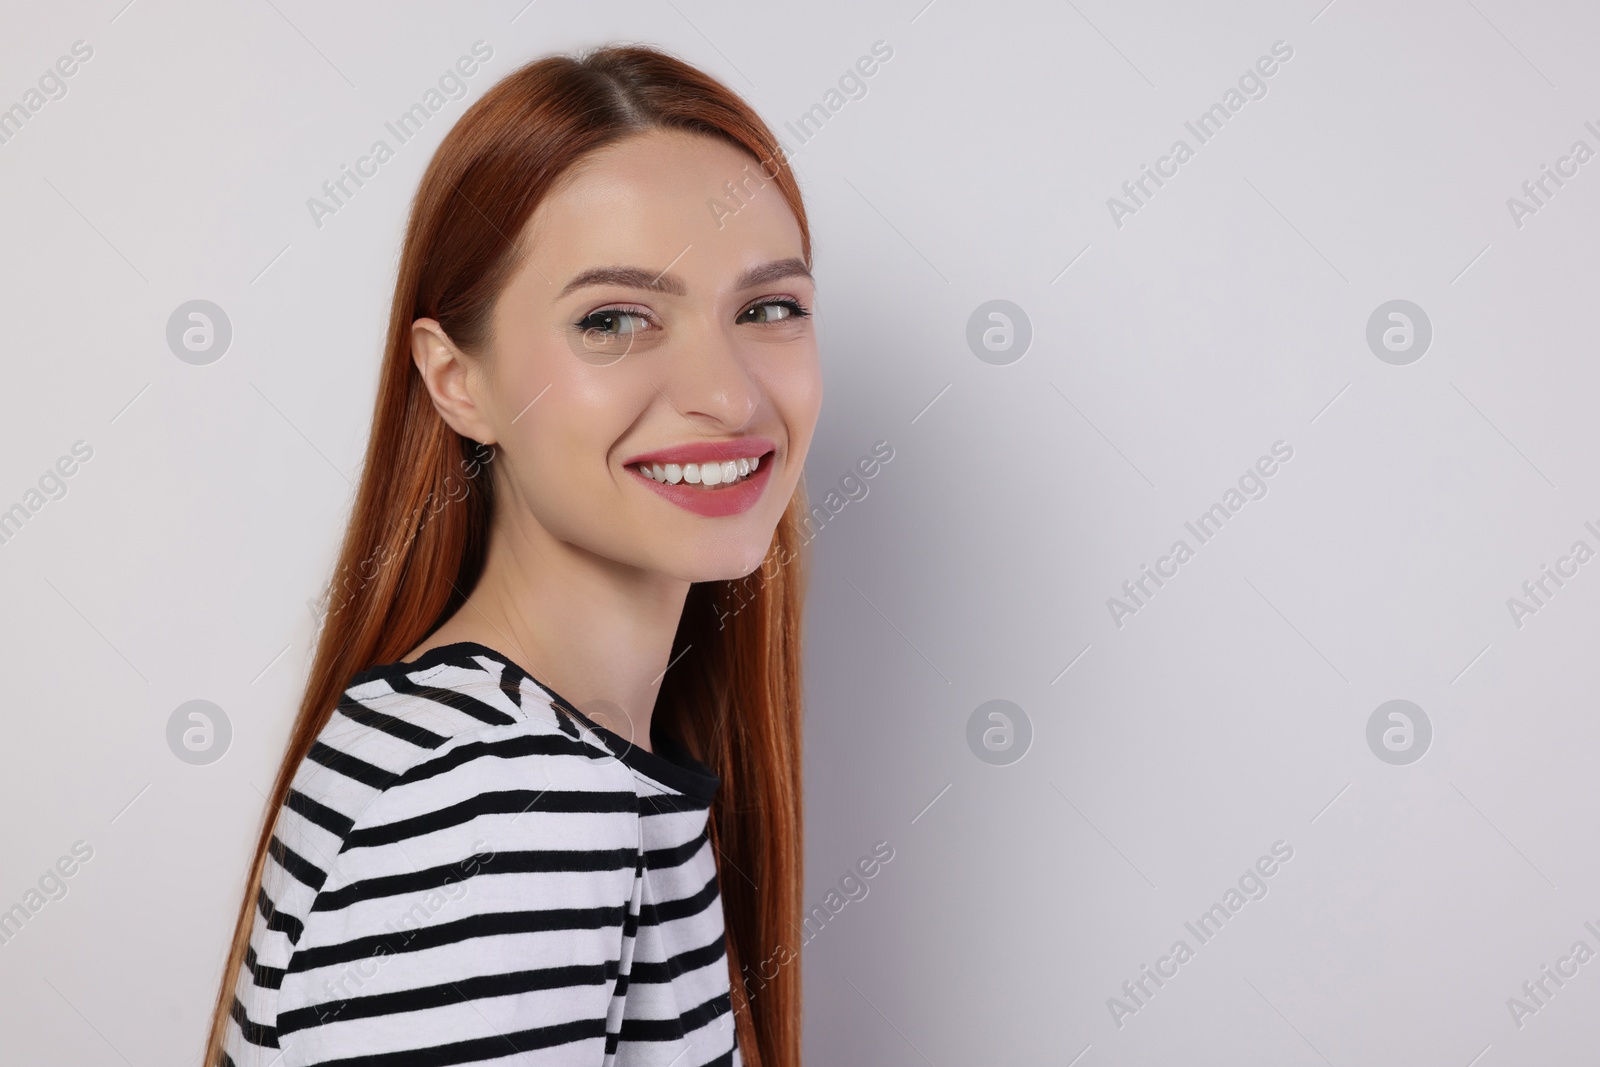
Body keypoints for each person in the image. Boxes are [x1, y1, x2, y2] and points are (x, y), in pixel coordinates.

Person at [203, 43, 821, 1067]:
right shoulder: (497, 804)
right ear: (456, 380)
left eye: (768, 308)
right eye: (614, 319)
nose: (728, 394)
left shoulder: (523, 761)